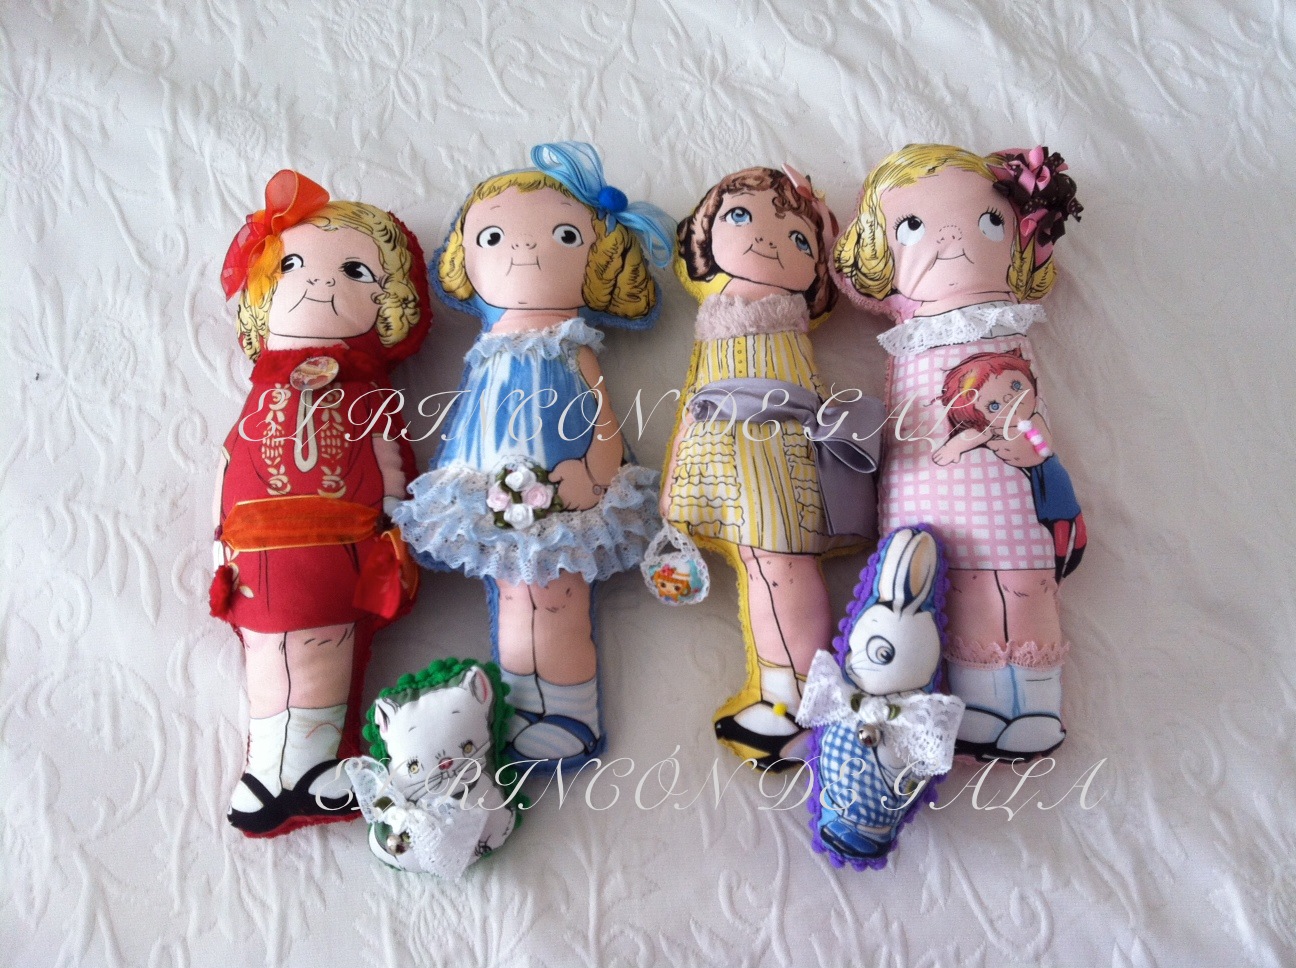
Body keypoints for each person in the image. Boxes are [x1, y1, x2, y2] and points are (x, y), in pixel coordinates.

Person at [394, 142, 673, 771]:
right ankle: (522, 715)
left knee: (560, 599)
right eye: (493, 237)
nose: (522, 249)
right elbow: (471, 420)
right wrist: (462, 483)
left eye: (564, 236)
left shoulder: (574, 349)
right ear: (467, 259)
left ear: (596, 263)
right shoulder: (487, 353)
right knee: (516, 597)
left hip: (571, 497)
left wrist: (597, 472)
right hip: (489, 492)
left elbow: (600, 416)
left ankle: (572, 714)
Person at [834, 143, 1085, 759]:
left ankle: (1036, 705)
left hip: (1017, 487)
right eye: (912, 227)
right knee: (956, 589)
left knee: (1024, 587)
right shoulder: (911, 338)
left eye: (991, 221)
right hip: (926, 486)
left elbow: (1032, 427)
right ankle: (978, 710)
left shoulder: (1009, 328)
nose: (950, 236)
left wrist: (1041, 465)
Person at [212, 170, 429, 835]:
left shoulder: (368, 393)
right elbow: (231, 460)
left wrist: (394, 532)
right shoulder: (264, 391)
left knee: (324, 647)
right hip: (253, 546)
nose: (318, 283)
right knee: (265, 650)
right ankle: (263, 773)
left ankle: (311, 769)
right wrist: (221, 545)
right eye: (292, 266)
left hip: (345, 546)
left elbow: (389, 465)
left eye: (354, 271)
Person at [660, 166, 879, 770]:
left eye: (799, 239)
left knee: (781, 566)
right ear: (704, 236)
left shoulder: (782, 327)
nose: (768, 238)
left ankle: (797, 704)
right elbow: (700, 399)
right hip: (732, 458)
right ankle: (787, 698)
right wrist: (679, 476)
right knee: (767, 568)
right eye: (740, 215)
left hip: (782, 457)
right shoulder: (718, 325)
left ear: (818, 273)